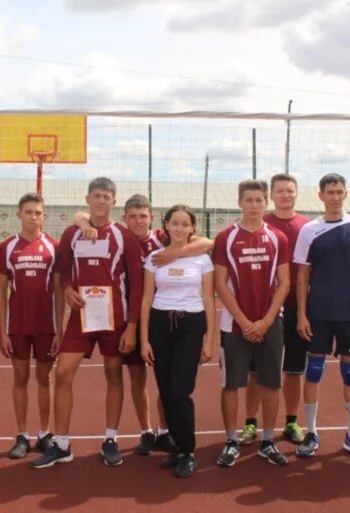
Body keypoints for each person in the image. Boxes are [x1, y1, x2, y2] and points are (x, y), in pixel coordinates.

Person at [75, 194, 213, 455]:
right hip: (123, 315)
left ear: (152, 218)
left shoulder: (161, 240)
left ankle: (166, 431)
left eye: (143, 216)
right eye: (133, 216)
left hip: (155, 317)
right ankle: (146, 430)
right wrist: (81, 218)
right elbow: (84, 217)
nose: (138, 221)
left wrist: (176, 253)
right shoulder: (116, 237)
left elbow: (207, 242)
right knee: (135, 377)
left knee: (170, 380)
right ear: (124, 218)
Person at [30, 177, 143, 469]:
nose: (101, 200)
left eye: (107, 196)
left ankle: (110, 438)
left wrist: (131, 326)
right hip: (81, 316)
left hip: (114, 317)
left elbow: (138, 283)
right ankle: (63, 444)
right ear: (88, 198)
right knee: (64, 372)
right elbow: (64, 269)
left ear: (113, 202)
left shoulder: (124, 236)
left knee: (113, 373)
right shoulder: (72, 233)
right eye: (97, 195)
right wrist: (67, 289)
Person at [294, 173, 350, 460]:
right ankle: (311, 432)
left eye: (340, 192)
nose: (335, 197)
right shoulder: (309, 230)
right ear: (320, 195)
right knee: (314, 372)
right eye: (330, 192)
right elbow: (302, 274)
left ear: (346, 194)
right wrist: (302, 315)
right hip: (318, 313)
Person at [213, 179, 290, 468]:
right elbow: (220, 283)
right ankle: (231, 441)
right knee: (231, 385)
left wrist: (266, 321)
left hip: (271, 323)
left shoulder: (278, 237)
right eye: (249, 200)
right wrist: (245, 322)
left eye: (260, 200)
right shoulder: (225, 237)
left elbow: (284, 283)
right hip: (235, 325)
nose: (255, 205)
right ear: (239, 202)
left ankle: (267, 440)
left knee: (271, 384)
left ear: (266, 202)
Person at [139, 205, 215, 478]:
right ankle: (178, 449)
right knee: (166, 389)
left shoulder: (203, 260)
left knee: (181, 390)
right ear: (166, 226)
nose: (180, 228)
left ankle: (189, 450)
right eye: (175, 223)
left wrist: (209, 341)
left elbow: (208, 300)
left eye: (185, 224)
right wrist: (144, 339)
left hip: (191, 325)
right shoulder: (155, 258)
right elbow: (146, 300)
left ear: (193, 228)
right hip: (160, 324)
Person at [238, 174, 310, 446]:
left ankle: (291, 421)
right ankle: (250, 424)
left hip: (295, 307)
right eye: (280, 191)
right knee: (256, 372)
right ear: (273, 196)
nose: (285, 195)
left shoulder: (306, 226)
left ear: (296, 194)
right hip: (262, 309)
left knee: (293, 370)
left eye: (290, 191)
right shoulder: (258, 222)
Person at [0, 193, 59, 459]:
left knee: (44, 379)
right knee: (20, 378)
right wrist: (2, 332)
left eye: (38, 213)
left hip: (47, 326)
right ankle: (22, 435)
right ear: (19, 214)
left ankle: (45, 433)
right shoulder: (8, 247)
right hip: (18, 326)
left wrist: (61, 330)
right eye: (29, 212)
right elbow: (0, 292)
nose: (33, 217)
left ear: (44, 217)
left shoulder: (54, 246)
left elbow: (59, 291)